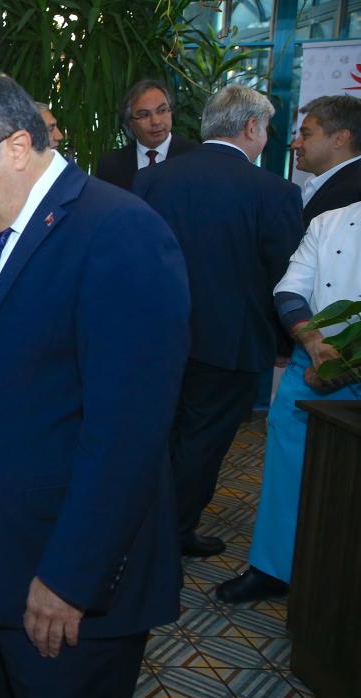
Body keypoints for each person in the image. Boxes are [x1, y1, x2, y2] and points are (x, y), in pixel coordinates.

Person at [0, 70, 190, 698]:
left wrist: (71, 578)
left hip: (61, 587)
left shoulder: (120, 234)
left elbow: (125, 436)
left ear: (16, 146)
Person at [134, 85, 303, 559]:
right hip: (231, 345)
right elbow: (283, 276)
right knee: (202, 443)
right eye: (266, 128)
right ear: (251, 127)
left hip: (155, 338)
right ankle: (170, 535)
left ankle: (142, 528)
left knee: (156, 434)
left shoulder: (153, 181)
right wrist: (282, 342)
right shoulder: (275, 191)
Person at [216, 201, 361, 603]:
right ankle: (273, 569)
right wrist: (314, 342)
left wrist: (347, 363)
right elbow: (290, 289)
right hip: (311, 364)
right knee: (287, 470)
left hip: (346, 365)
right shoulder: (329, 222)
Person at [95, 79, 197, 190]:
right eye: (144, 115)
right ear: (130, 123)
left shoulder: (195, 157)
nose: (156, 122)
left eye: (162, 110)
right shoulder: (110, 166)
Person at [290, 94, 361, 224]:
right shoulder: (330, 184)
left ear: (340, 139)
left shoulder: (353, 195)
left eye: (306, 135)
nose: (295, 144)